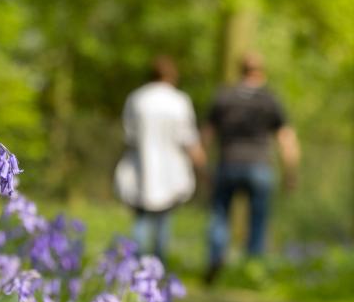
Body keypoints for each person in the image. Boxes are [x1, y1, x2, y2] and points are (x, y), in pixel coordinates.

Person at [203, 52, 300, 284]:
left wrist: (202, 168)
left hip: (228, 163)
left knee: (219, 216)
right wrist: (291, 173)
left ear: (240, 70)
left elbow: (205, 135)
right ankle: (251, 270)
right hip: (259, 166)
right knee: (258, 220)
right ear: (262, 71)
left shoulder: (224, 96)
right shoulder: (270, 99)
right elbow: (286, 139)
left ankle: (216, 259)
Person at [114, 56, 207, 262]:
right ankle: (158, 266)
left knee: (141, 218)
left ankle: (135, 264)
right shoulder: (179, 101)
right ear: (172, 76)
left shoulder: (137, 99)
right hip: (171, 170)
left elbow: (129, 136)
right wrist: (201, 165)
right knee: (163, 219)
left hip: (141, 167)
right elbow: (189, 138)